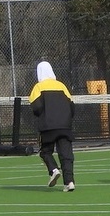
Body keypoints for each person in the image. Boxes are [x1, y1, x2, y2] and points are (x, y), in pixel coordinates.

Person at [28, 61, 76, 192]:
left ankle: (53, 170)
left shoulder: (38, 87)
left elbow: (36, 108)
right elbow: (72, 107)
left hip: (48, 126)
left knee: (45, 152)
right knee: (66, 155)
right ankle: (69, 182)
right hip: (65, 126)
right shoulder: (62, 86)